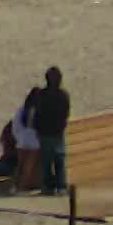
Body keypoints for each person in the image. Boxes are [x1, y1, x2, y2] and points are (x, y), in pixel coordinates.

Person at [34, 66, 71, 195]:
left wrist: (37, 129)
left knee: (46, 161)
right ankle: (61, 187)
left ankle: (47, 187)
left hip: (44, 132)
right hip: (57, 132)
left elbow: (37, 114)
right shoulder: (63, 95)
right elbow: (66, 113)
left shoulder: (41, 95)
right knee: (59, 160)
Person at [13, 88, 42, 191]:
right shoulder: (39, 110)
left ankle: (16, 186)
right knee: (28, 167)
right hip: (34, 141)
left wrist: (18, 137)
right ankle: (22, 188)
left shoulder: (22, 109)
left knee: (20, 165)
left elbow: (15, 125)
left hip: (22, 139)